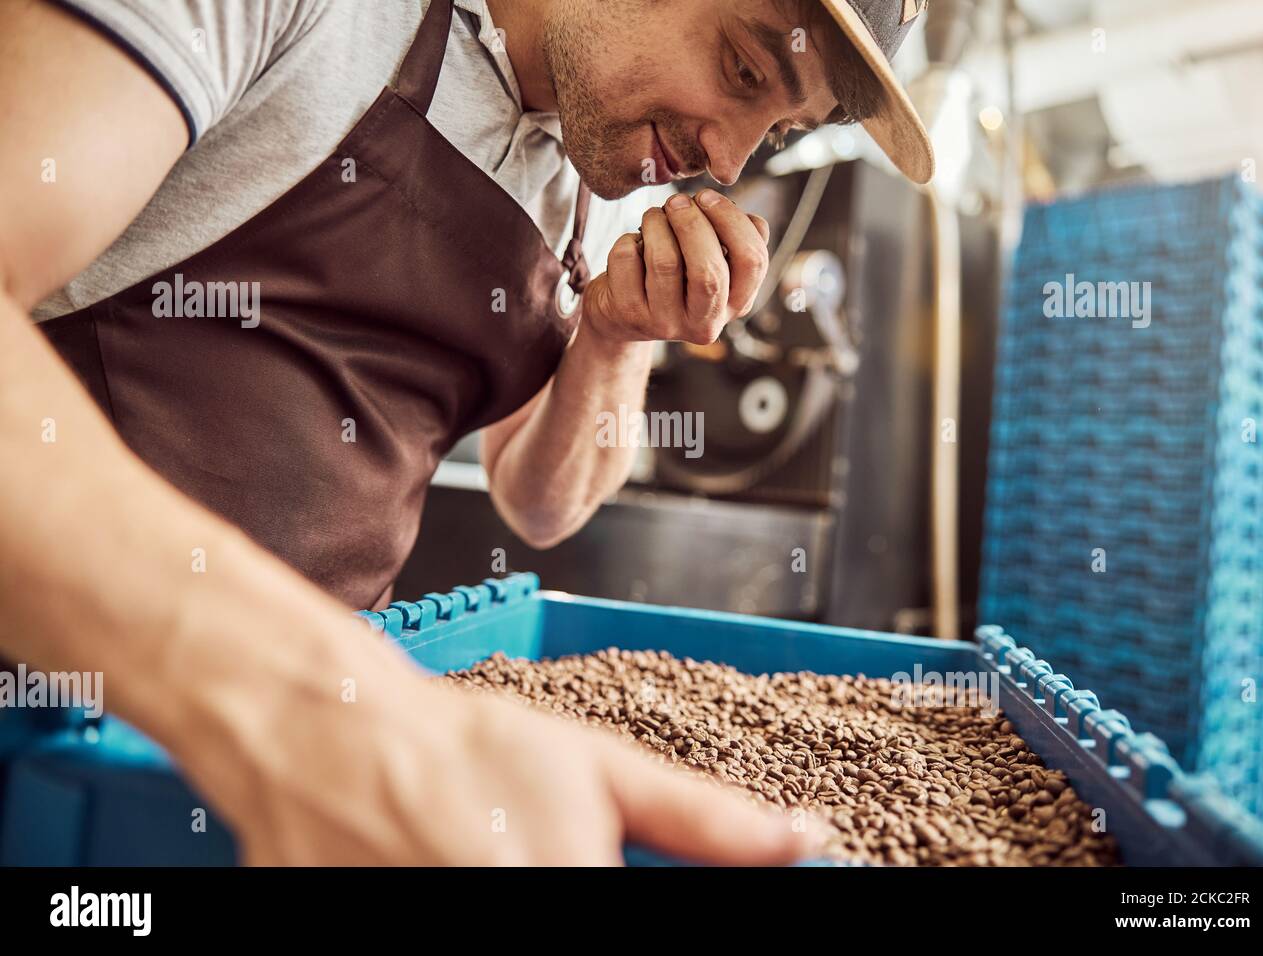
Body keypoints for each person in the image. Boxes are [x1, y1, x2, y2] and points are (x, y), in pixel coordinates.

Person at [0, 0, 933, 864]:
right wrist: (303, 707)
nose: (728, 161)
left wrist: (616, 335)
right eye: (739, 68)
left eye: (776, 128)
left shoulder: (598, 176)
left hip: (337, 770)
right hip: (52, 726)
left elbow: (539, 502)